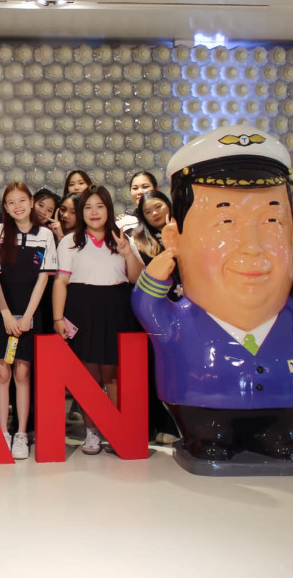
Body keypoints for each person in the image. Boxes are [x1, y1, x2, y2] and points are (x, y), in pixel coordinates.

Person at [132, 126, 293, 468]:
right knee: (210, 439)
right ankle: (206, 438)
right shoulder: (182, 319)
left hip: (284, 404)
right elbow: (147, 309)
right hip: (200, 404)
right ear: (174, 238)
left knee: (281, 439)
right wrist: (155, 274)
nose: (252, 246)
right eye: (225, 222)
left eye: (271, 221)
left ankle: (280, 436)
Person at [51, 185, 144, 455]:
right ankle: (92, 432)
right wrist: (58, 318)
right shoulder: (70, 241)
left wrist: (128, 253)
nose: (94, 212)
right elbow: (61, 282)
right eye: (88, 207)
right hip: (82, 307)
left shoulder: (121, 238)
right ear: (81, 212)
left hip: (116, 307)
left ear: (108, 209)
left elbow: (136, 278)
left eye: (99, 206)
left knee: (112, 373)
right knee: (88, 374)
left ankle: (117, 429)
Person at [0, 182, 57, 459]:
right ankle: (2, 431)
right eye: (11, 202)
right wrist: (5, 313)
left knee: (22, 373)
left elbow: (43, 279)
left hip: (30, 314)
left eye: (22, 201)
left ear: (31, 202)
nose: (17, 206)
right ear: (5, 207)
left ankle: (21, 434)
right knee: (1, 371)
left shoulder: (45, 235)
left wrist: (27, 316)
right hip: (0, 312)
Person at [124, 188, 179, 444]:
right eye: (148, 211)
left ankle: (178, 425)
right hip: (154, 316)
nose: (155, 213)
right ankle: (153, 424)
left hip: (186, 310)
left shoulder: (186, 231)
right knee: (152, 369)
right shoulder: (139, 240)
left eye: (158, 206)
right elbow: (136, 277)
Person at [116, 171, 158, 235]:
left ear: (156, 189)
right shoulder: (125, 223)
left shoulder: (169, 218)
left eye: (145, 187)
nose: (140, 192)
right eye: (135, 188)